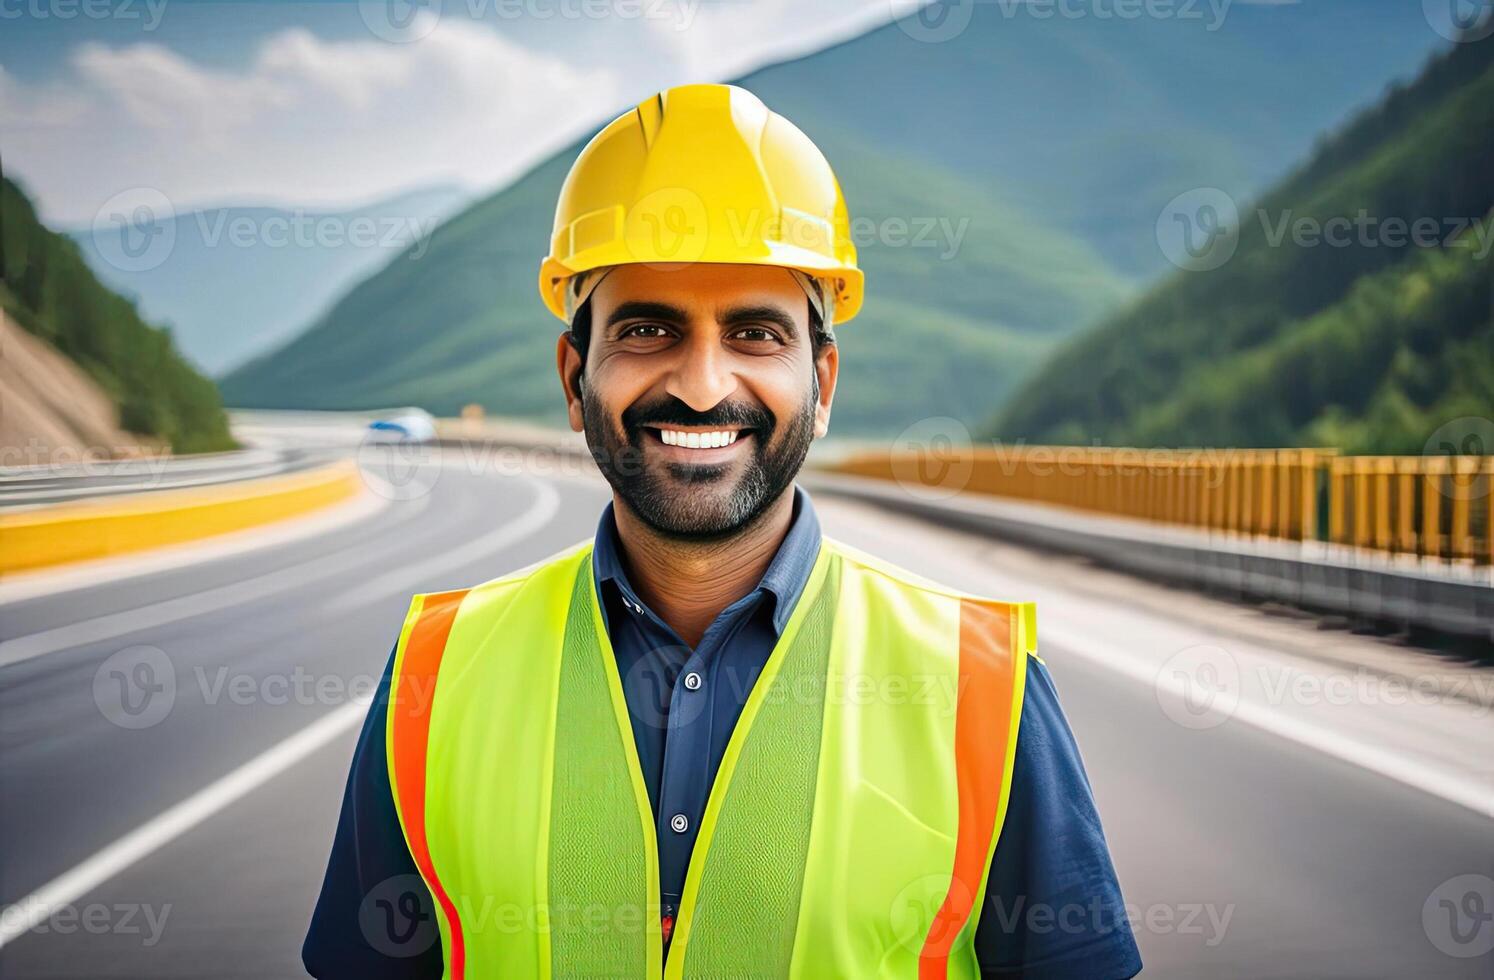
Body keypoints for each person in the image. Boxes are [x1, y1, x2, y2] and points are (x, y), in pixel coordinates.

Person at [304, 82, 1141, 979]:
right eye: (649, 329)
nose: (702, 386)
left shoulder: (986, 687)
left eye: (753, 334)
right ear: (572, 375)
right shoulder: (438, 668)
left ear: (822, 383)